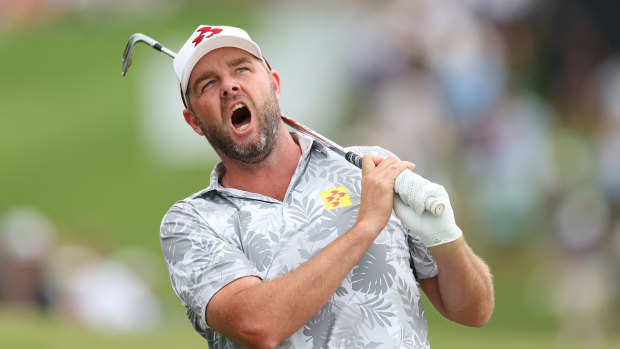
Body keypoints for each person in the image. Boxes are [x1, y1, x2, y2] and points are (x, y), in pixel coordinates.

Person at [160, 25, 494, 349]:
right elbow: (258, 325)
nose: (230, 87)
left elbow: (473, 312)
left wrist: (447, 239)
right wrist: (365, 227)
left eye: (242, 69)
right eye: (208, 84)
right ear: (194, 122)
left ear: (274, 85)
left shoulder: (370, 169)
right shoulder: (192, 223)